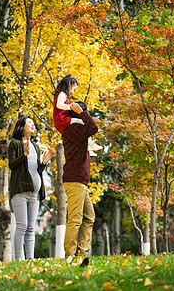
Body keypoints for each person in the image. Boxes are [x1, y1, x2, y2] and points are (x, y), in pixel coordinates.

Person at [8, 115, 53, 260]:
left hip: (35, 193)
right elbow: (12, 165)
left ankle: (30, 260)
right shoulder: (14, 144)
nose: (33, 125)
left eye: (33, 123)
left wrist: (44, 163)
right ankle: (19, 260)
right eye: (29, 122)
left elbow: (36, 170)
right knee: (21, 226)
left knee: (30, 228)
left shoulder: (36, 146)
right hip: (20, 191)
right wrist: (24, 154)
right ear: (22, 126)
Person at [62, 101, 98, 258]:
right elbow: (93, 128)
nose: (87, 116)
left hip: (80, 180)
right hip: (75, 180)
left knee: (89, 217)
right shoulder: (73, 129)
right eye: (85, 113)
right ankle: (69, 255)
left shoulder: (78, 130)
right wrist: (81, 112)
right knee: (75, 218)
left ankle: (82, 253)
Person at [53, 74, 102, 156]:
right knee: (81, 122)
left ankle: (88, 147)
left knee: (78, 130)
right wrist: (71, 107)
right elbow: (59, 105)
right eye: (74, 89)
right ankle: (90, 144)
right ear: (69, 86)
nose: (73, 92)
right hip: (61, 119)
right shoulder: (62, 94)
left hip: (62, 120)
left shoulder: (62, 95)